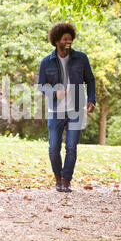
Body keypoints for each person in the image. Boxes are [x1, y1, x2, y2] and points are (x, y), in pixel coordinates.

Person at [38, 23, 96, 192]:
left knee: (71, 146)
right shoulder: (46, 62)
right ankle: (57, 176)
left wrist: (91, 99)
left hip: (76, 109)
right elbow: (42, 85)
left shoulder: (81, 58)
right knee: (54, 147)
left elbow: (90, 80)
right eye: (65, 39)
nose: (68, 42)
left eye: (70, 39)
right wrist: (54, 93)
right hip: (56, 111)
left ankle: (66, 180)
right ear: (57, 41)